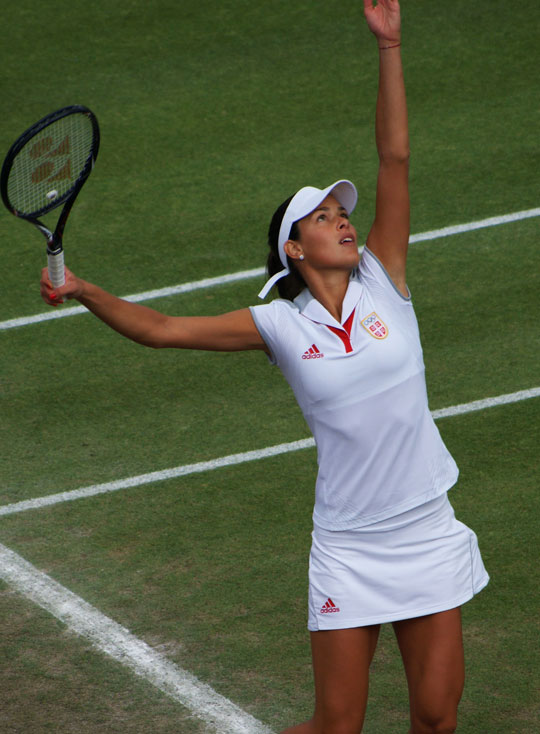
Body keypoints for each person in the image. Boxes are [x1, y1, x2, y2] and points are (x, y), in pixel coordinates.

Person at [40, 2, 489, 732]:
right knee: (335, 727)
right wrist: (85, 289)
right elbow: (160, 329)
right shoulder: (279, 327)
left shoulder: (388, 277)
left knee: (437, 719)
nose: (344, 219)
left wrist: (391, 46)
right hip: (349, 546)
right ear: (294, 249)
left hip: (426, 530)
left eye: (342, 212)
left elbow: (395, 158)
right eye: (322, 217)